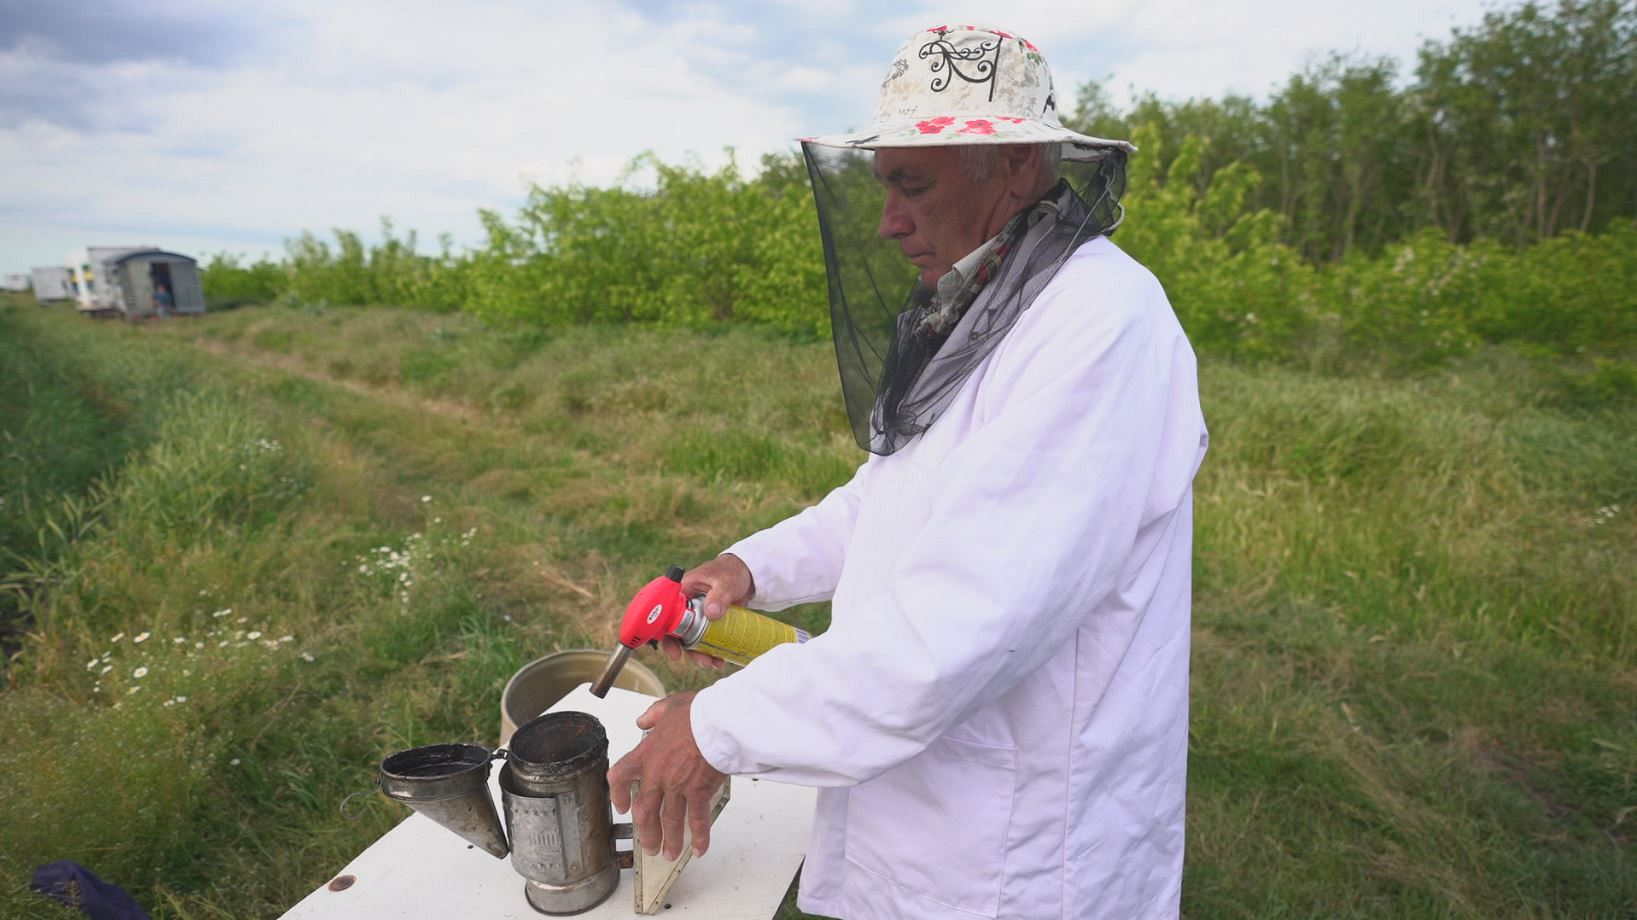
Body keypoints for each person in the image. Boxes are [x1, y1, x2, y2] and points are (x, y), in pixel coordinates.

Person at [609, 23, 1207, 919]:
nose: (889, 222)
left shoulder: (1098, 323)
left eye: (913, 186)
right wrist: (750, 568)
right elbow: (889, 496)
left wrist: (719, 728)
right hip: (932, 790)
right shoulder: (987, 300)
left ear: (1017, 164)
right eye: (885, 186)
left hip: (1021, 844)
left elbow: (965, 622)